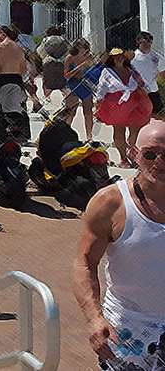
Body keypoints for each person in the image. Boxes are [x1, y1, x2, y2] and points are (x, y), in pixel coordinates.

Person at [72, 120, 165, 369]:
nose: (159, 161)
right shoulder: (111, 203)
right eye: (150, 154)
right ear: (134, 154)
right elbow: (84, 262)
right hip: (129, 327)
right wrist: (94, 318)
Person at [98, 49, 153, 167]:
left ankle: (132, 151)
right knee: (119, 129)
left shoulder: (131, 70)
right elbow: (101, 88)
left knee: (136, 129)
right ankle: (123, 158)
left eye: (121, 56)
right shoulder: (107, 71)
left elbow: (142, 83)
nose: (119, 58)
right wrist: (98, 103)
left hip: (135, 102)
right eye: (116, 56)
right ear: (111, 59)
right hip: (116, 103)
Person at [65, 38, 102, 140]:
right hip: (73, 85)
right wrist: (80, 67)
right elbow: (66, 75)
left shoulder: (89, 57)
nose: (85, 49)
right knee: (71, 111)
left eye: (86, 46)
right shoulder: (70, 58)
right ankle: (65, 133)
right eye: (83, 46)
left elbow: (95, 72)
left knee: (88, 112)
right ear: (76, 47)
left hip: (86, 85)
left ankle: (89, 137)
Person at [39, 25, 71, 105]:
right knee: (63, 83)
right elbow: (69, 51)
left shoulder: (45, 40)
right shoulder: (63, 40)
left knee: (47, 83)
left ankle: (47, 98)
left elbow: (40, 52)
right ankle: (66, 97)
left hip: (48, 63)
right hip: (62, 64)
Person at [133, 32, 163, 118]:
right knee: (141, 117)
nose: (147, 44)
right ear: (138, 43)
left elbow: (162, 73)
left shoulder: (157, 56)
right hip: (138, 92)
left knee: (157, 115)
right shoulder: (133, 57)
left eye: (149, 41)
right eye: (144, 41)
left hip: (153, 90)